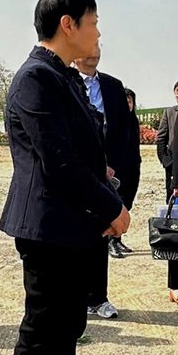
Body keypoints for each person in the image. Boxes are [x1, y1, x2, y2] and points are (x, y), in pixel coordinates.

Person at [0, 0, 129, 355]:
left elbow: (80, 152)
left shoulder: (63, 76)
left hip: (74, 225)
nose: (98, 33)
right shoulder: (36, 77)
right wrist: (112, 208)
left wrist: (103, 189)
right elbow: (58, 162)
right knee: (42, 332)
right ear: (68, 24)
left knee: (67, 328)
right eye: (93, 22)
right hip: (47, 227)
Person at [74, 44, 128, 318]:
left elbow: (123, 131)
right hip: (75, 171)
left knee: (101, 232)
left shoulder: (113, 86)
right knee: (75, 233)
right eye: (88, 46)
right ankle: (76, 296)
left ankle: (98, 297)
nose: (93, 51)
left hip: (106, 173)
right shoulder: (64, 81)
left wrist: (111, 166)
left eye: (97, 46)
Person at [156, 78, 178, 310]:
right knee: (176, 230)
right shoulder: (172, 113)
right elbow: (165, 143)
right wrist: (173, 172)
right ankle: (175, 284)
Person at [107, 86, 141, 257]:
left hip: (133, 168)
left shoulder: (133, 121)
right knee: (116, 204)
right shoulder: (116, 122)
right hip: (118, 169)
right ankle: (111, 241)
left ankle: (118, 238)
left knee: (128, 202)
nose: (128, 104)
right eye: (125, 101)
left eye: (130, 101)